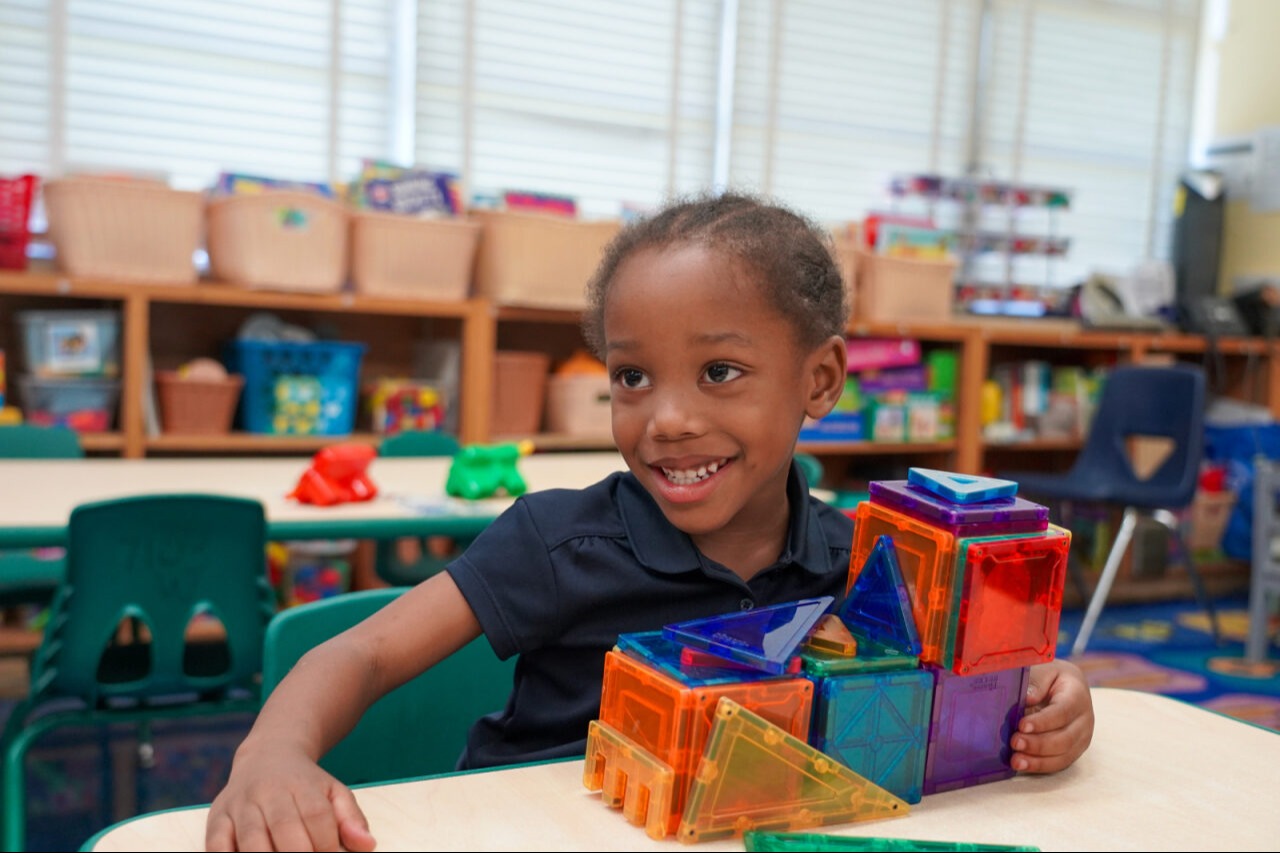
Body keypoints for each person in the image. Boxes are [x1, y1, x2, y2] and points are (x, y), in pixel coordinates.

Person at [205, 191, 1095, 852]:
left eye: (718, 373)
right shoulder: (556, 543)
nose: (664, 419)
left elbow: (967, 678)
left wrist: (1045, 693)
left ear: (820, 381)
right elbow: (359, 652)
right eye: (632, 377)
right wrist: (273, 754)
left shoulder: (864, 565)